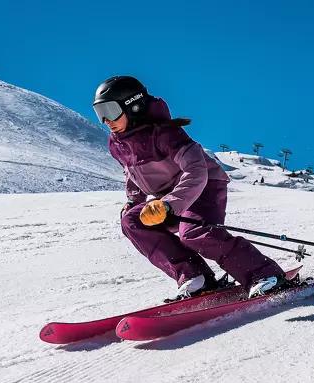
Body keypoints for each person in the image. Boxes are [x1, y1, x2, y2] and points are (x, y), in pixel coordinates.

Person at [92, 76, 288, 299]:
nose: (106, 120)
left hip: (203, 187)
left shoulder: (165, 133)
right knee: (132, 221)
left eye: (110, 110)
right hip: (167, 199)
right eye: (100, 113)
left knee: (195, 232)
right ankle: (195, 276)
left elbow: (197, 170)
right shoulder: (117, 143)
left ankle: (265, 275)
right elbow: (132, 172)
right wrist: (134, 201)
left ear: (133, 106)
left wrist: (170, 204)